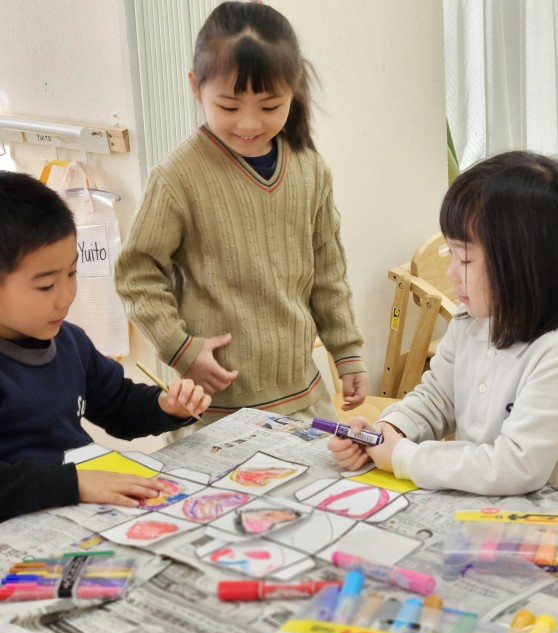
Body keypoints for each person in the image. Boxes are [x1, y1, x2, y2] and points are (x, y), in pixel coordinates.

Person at [115, 0, 368, 429]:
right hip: (214, 413)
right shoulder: (176, 177)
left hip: (304, 402)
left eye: (269, 107)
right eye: (229, 107)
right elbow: (135, 274)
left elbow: (329, 272)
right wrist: (180, 348)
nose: (249, 124)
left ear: (293, 89)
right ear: (196, 87)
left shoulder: (311, 169)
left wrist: (347, 351)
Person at [328, 151, 558, 495]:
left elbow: (515, 467)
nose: (451, 273)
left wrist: (404, 457)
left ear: (522, 264)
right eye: (451, 254)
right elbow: (437, 398)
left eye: (464, 258)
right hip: (476, 502)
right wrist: (389, 432)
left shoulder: (550, 352)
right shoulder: (469, 323)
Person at [0, 170, 211, 522]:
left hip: (82, 509)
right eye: (46, 286)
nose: (67, 296)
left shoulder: (70, 341)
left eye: (72, 273)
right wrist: (74, 483)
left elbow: (118, 405)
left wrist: (164, 406)